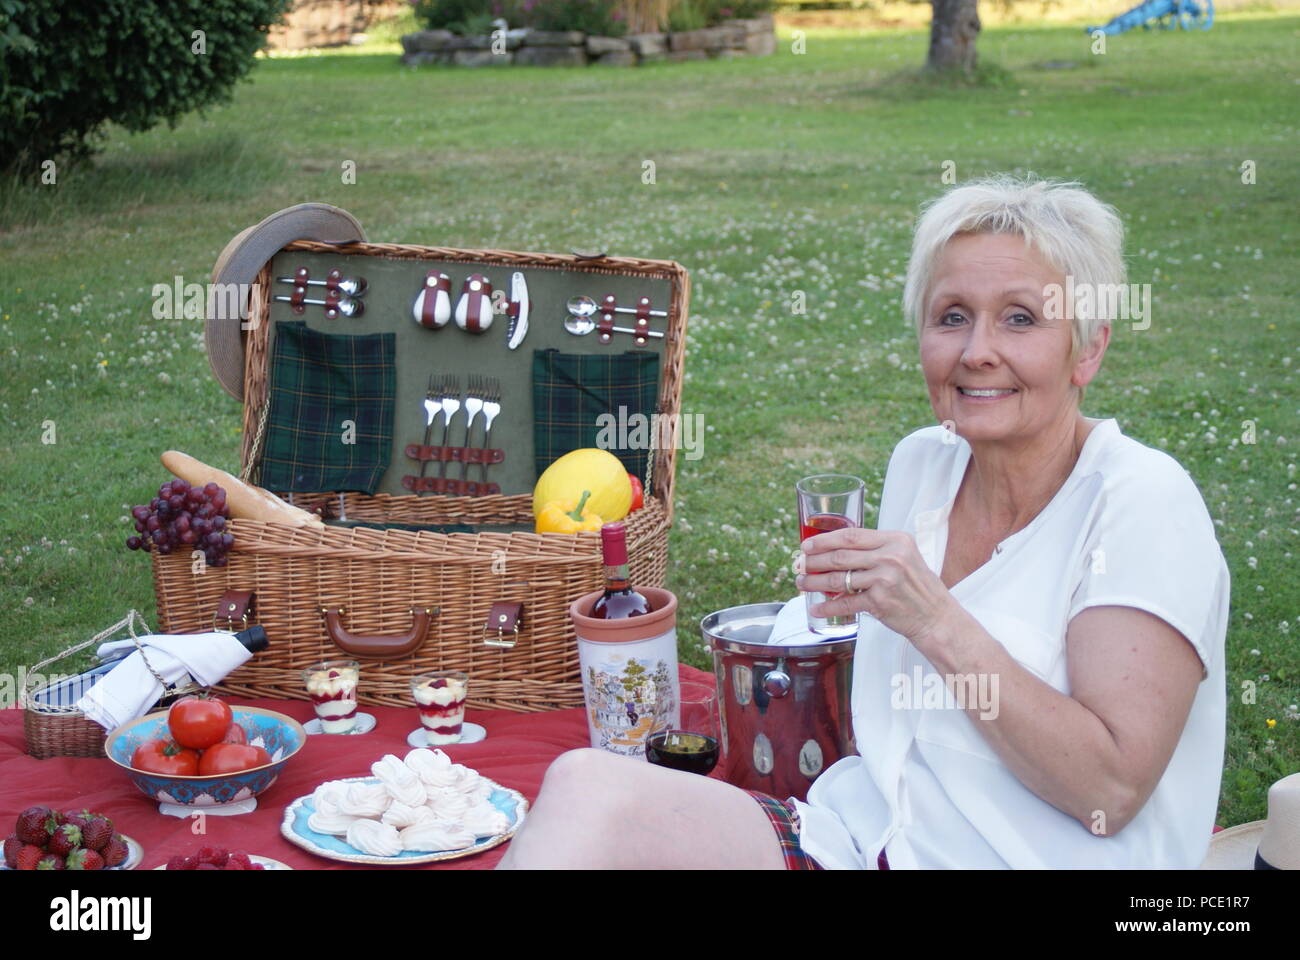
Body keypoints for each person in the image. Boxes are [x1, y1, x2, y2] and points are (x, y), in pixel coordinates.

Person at [496, 175, 1230, 869]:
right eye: (951, 317)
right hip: (863, 840)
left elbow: (1110, 790)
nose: (977, 352)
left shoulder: (1141, 503)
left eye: (1020, 318)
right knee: (586, 787)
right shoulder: (928, 462)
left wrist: (934, 620)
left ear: (1088, 347)